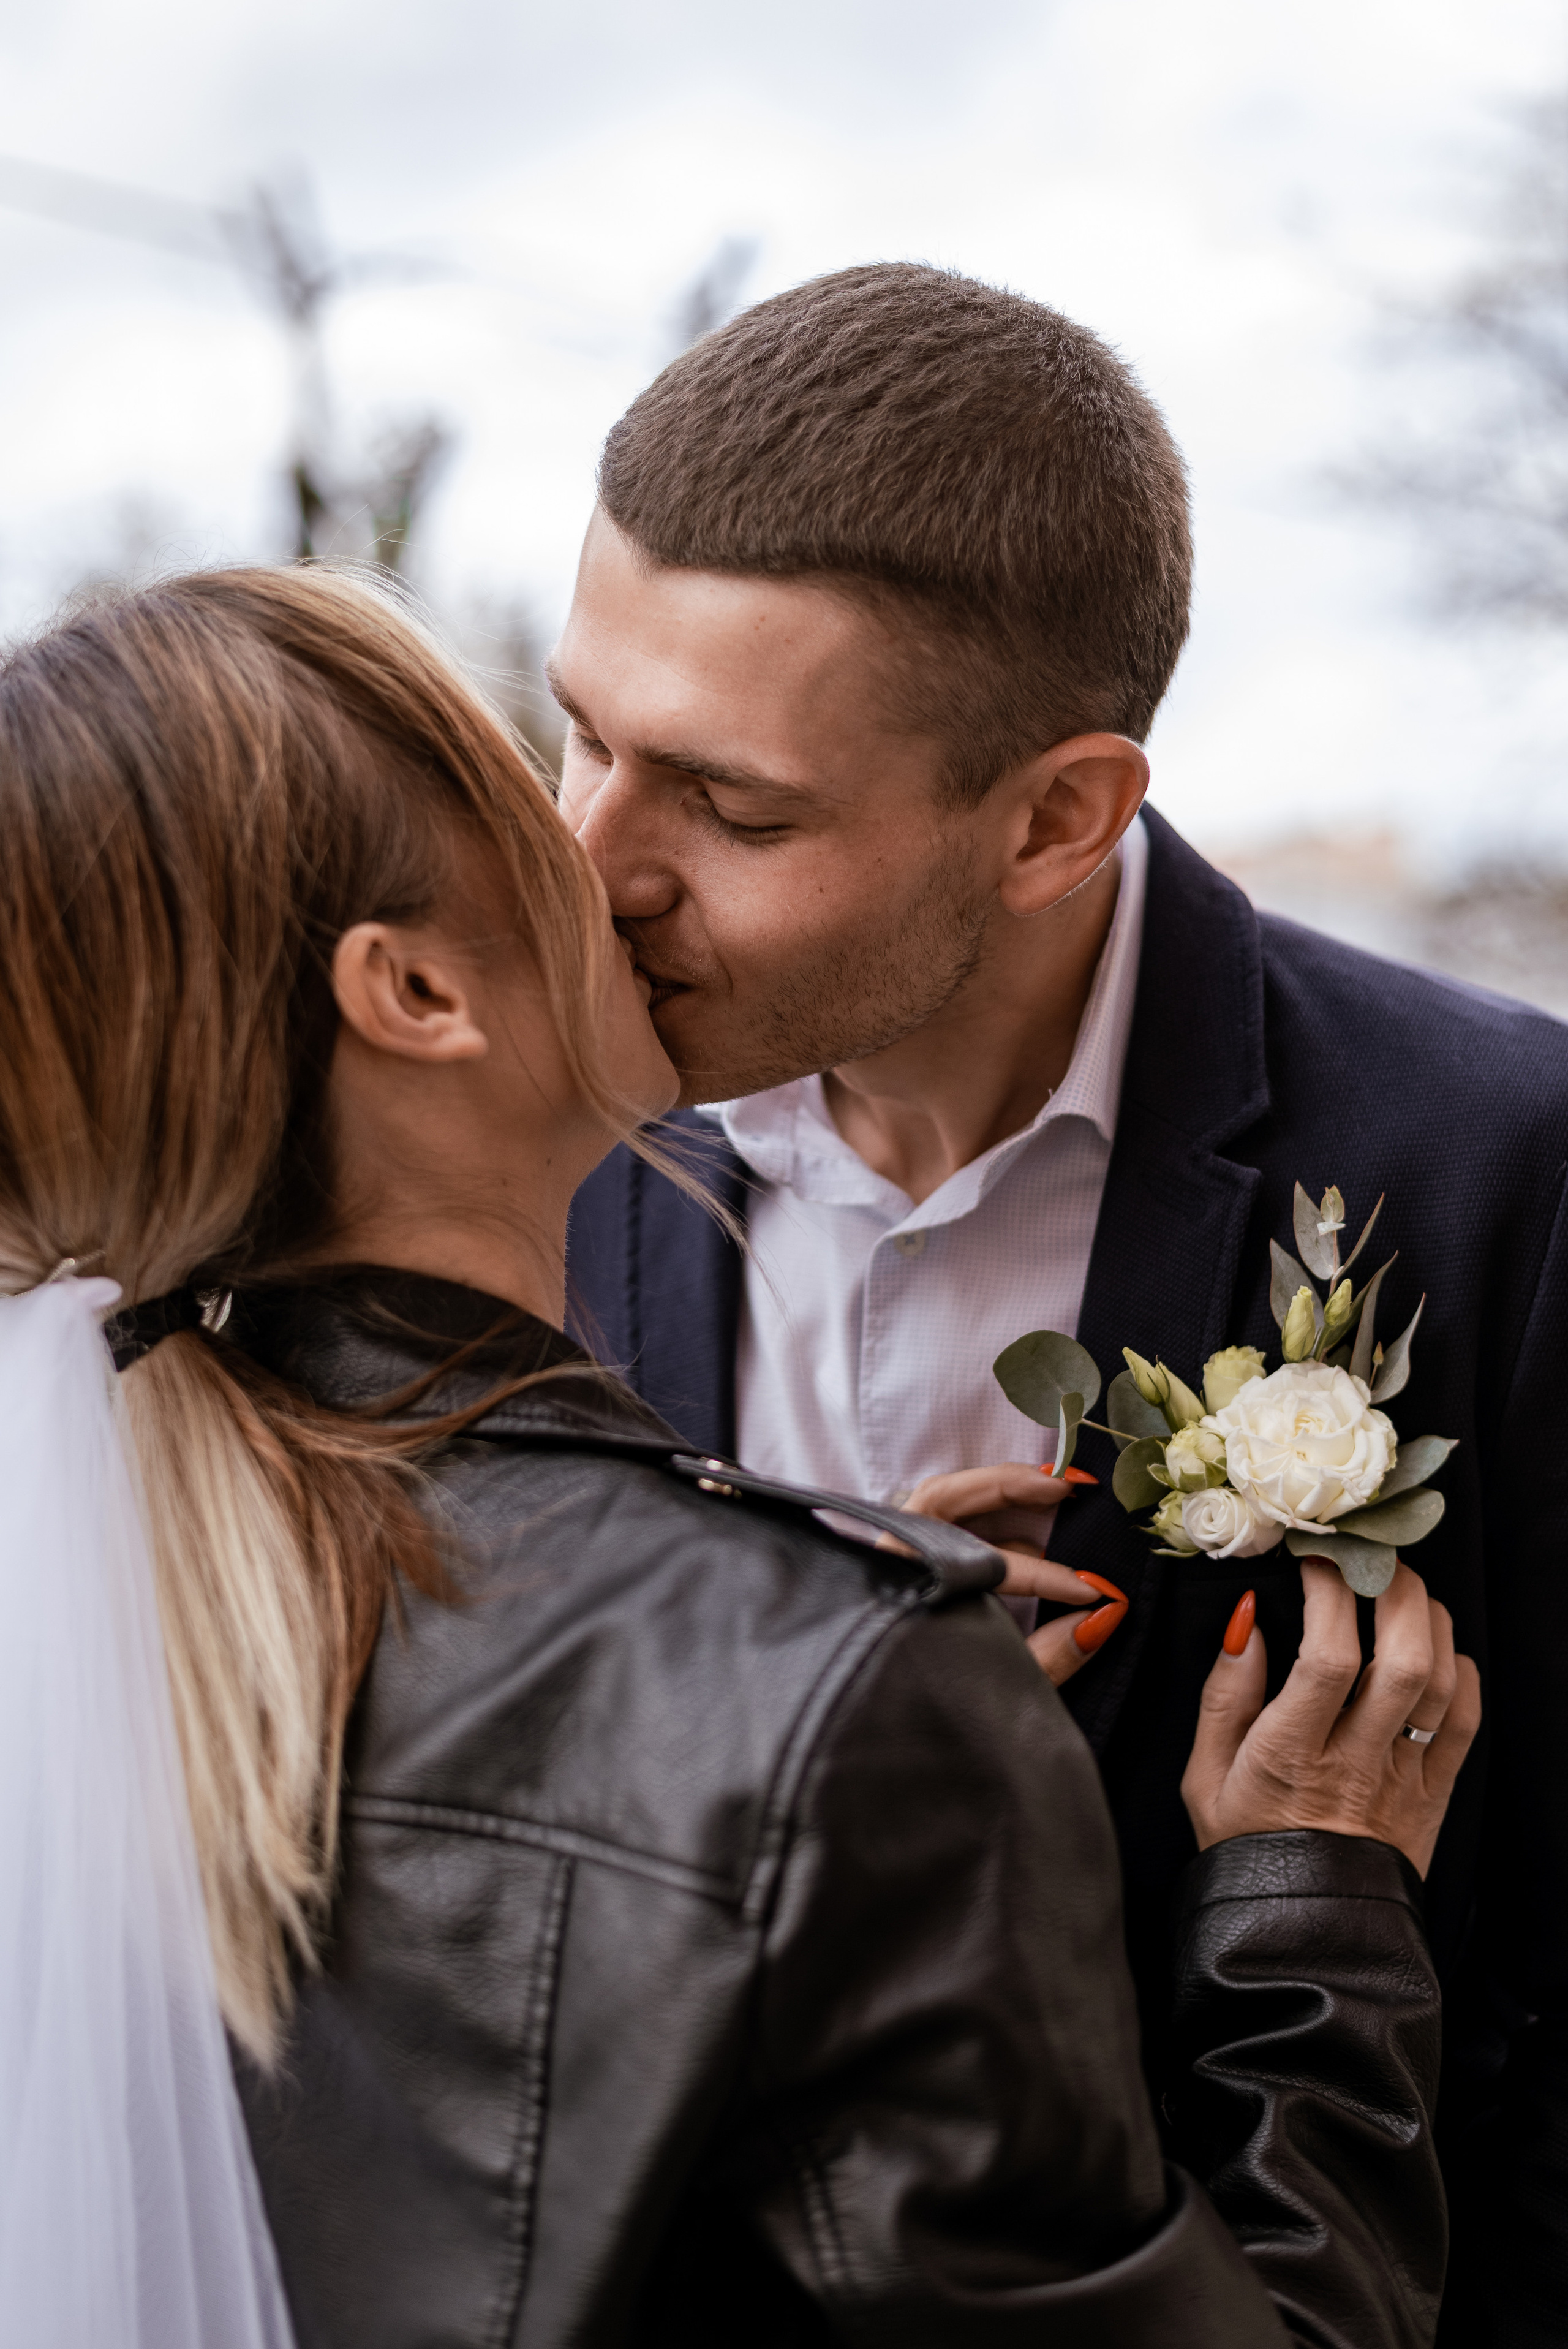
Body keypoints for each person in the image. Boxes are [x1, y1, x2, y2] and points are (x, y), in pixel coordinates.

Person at [0, 565, 1477, 2348]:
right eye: (534, 775)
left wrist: (789, 1627)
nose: (608, 853)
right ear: (410, 991)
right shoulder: (834, 1684)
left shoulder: (70, 1591)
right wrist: (1312, 1918)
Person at [560, 262, 1568, 2347]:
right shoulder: (525, 1148)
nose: (591, 867)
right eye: (578, 736)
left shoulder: (1501, 1169)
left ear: (1057, 816)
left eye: (730, 806)